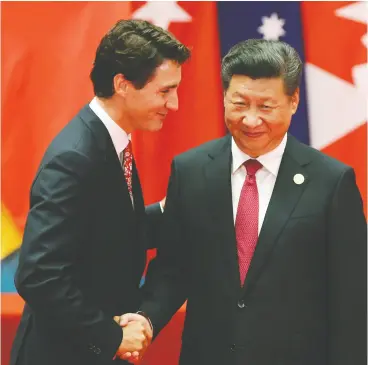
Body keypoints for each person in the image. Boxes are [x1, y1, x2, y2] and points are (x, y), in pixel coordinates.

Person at [120, 39, 367, 365]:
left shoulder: (331, 182)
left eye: (266, 107)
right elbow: (174, 267)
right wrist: (146, 318)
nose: (251, 120)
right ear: (224, 97)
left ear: (293, 101)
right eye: (239, 104)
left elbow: (353, 297)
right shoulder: (191, 171)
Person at [10, 19, 190, 365]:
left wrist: (170, 210)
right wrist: (111, 337)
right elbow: (39, 274)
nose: (175, 103)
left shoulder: (109, 140)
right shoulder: (75, 157)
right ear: (122, 84)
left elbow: (106, 230)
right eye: (165, 91)